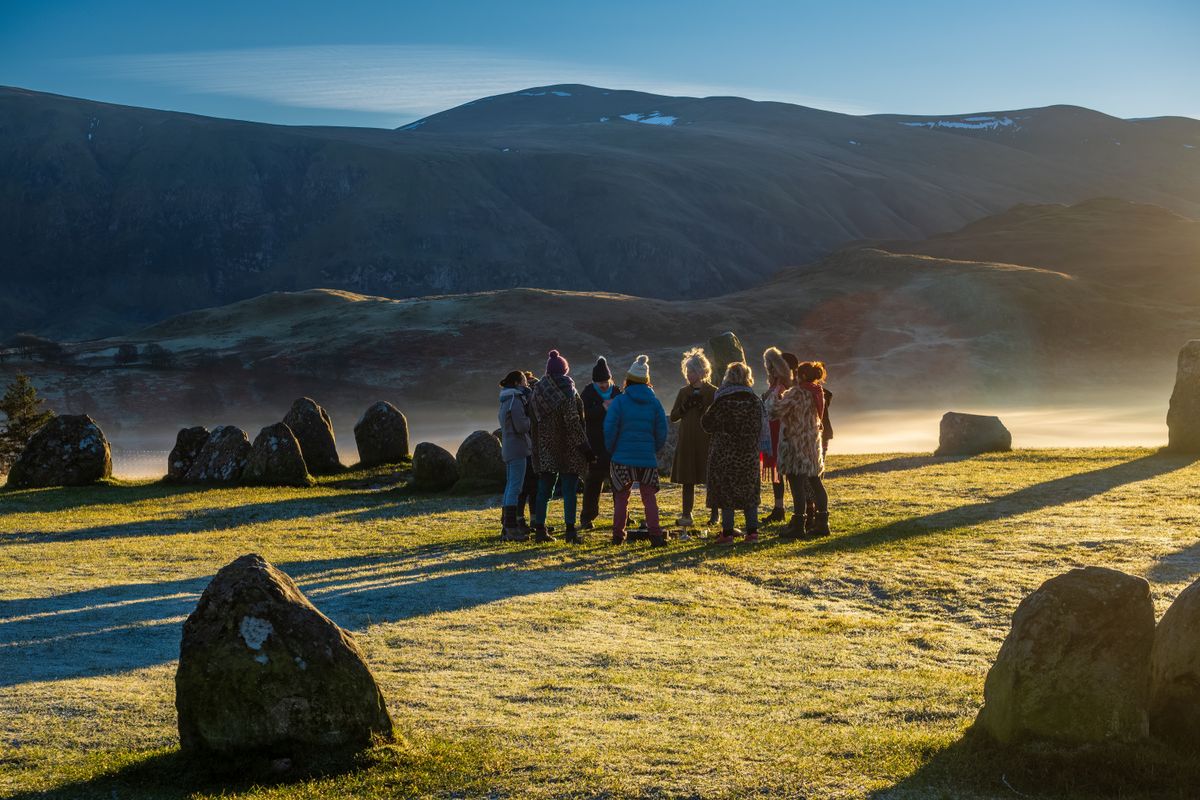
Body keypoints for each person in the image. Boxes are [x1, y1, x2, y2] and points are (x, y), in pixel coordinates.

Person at [603, 355, 670, 546]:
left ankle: (618, 535)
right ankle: (656, 535)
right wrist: (652, 449)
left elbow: (610, 428)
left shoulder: (619, 402)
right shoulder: (655, 403)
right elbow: (661, 431)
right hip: (646, 457)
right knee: (649, 497)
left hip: (622, 457)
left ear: (628, 380)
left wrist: (612, 449)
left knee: (621, 497)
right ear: (647, 380)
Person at [702, 362, 770, 546]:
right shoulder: (755, 401)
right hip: (749, 455)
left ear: (728, 377)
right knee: (749, 493)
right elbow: (759, 428)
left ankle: (727, 533)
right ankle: (753, 532)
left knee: (727, 494)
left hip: (725, 455)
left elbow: (707, 423)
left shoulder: (723, 401)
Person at [529, 350, 592, 543]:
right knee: (569, 490)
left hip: (545, 448)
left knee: (544, 490)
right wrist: (585, 447)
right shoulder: (568, 391)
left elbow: (532, 420)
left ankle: (540, 529)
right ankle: (570, 530)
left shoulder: (537, 392)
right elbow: (572, 422)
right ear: (565, 371)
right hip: (568, 448)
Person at [771, 360, 831, 539]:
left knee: (797, 485)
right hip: (812, 445)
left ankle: (798, 524)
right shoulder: (817, 392)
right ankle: (822, 522)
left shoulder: (797, 393)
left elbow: (774, 411)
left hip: (795, 445)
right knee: (815, 483)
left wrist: (776, 394)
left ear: (802, 376)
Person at [669, 348, 718, 528]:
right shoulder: (683, 392)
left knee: (710, 478)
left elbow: (717, 415)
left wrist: (704, 409)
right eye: (688, 371)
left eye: (693, 371)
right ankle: (686, 513)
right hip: (688, 440)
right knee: (688, 479)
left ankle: (714, 513)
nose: (689, 374)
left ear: (703, 371)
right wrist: (684, 408)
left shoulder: (713, 391)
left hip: (706, 440)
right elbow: (674, 416)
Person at [579, 357, 622, 530]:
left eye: (605, 382)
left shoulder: (617, 392)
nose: (603, 385)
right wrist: (602, 408)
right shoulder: (588, 393)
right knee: (593, 483)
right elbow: (583, 416)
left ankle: (621, 515)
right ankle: (587, 517)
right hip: (595, 446)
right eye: (599, 383)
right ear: (594, 382)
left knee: (619, 483)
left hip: (614, 446)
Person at [760, 347, 795, 523]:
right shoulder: (774, 386)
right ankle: (779, 507)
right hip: (772, 432)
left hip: (781, 431)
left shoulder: (782, 388)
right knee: (777, 472)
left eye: (773, 367)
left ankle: (789, 508)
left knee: (784, 470)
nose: (771, 371)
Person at [498, 370, 532, 542]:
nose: (527, 384)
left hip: (508, 446)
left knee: (510, 486)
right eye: (525, 381)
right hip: (518, 447)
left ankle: (506, 526)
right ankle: (511, 529)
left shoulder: (505, 399)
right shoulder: (516, 400)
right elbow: (521, 426)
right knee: (515, 488)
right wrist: (530, 419)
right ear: (518, 383)